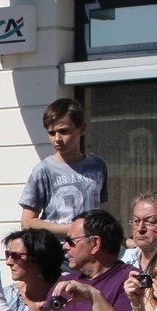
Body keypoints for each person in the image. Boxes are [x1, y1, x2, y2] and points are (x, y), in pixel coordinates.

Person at [30, 209, 136, 311]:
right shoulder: (64, 281)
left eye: (70, 241)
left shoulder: (129, 279)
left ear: (95, 243)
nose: (64, 246)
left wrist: (94, 296)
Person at [20, 98, 108, 238]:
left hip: (91, 247)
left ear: (82, 128)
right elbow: (27, 222)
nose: (57, 139)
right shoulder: (43, 170)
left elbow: (101, 213)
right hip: (56, 248)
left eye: (64, 131)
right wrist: (73, 229)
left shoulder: (98, 166)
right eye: (51, 133)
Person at [0, 229, 65, 311]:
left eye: (15, 256)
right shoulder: (9, 296)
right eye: (8, 254)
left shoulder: (67, 292)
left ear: (38, 258)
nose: (8, 262)